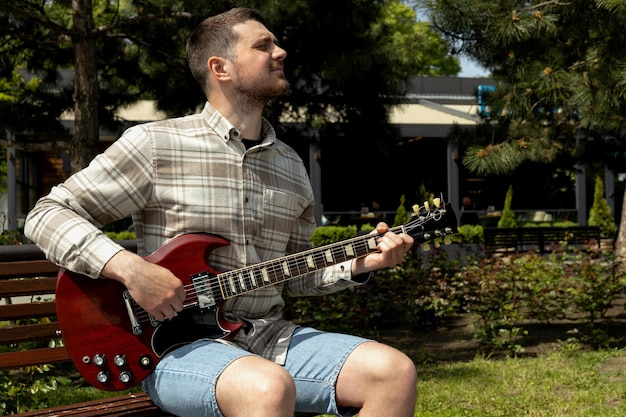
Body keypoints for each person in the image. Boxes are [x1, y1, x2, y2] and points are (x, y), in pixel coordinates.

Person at [24, 8, 417, 417]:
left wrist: (358, 264)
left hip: (269, 336)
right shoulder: (157, 145)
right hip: (174, 346)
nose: (280, 52)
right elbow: (48, 214)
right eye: (263, 45)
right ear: (220, 67)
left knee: (393, 372)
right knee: (267, 387)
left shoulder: (290, 165)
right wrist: (130, 269)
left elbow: (295, 273)